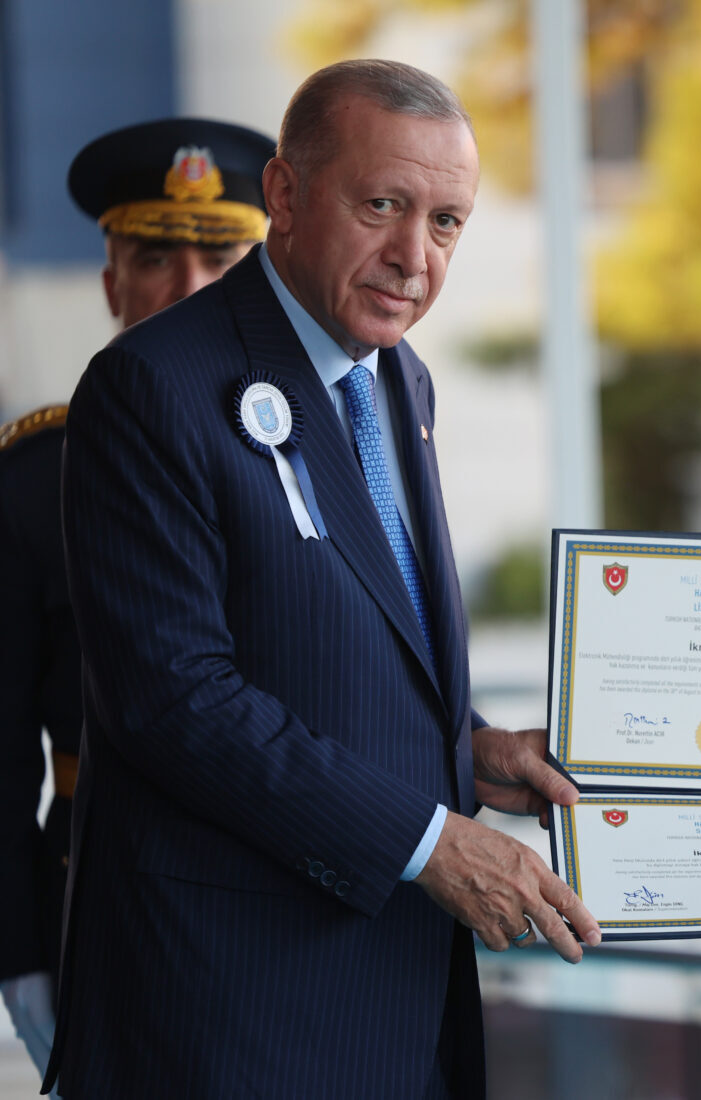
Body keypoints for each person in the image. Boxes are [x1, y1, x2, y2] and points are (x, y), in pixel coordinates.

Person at [46, 59, 600, 1099]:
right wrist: (431, 838)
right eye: (382, 205)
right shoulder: (151, 384)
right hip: (228, 1011)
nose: (412, 258)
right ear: (287, 196)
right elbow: (175, 698)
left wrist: (468, 746)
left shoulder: (399, 377)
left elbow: (347, 631)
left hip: (396, 997)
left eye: (445, 223)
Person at [0, 116, 276, 1088]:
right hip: (108, 898)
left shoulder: (334, 449)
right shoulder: (35, 476)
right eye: (156, 255)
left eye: (223, 254)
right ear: (113, 281)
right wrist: (20, 950)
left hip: (307, 889)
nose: (189, 287)